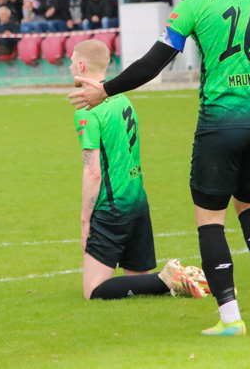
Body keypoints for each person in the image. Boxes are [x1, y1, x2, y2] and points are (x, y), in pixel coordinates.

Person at [69, 0, 250, 336]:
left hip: (221, 123)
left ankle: (230, 319)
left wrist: (106, 89)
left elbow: (153, 64)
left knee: (210, 219)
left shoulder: (192, 5)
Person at [69, 39, 207, 302]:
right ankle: (178, 279)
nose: (69, 65)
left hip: (112, 210)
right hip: (138, 205)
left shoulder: (87, 111)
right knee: (138, 283)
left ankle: (166, 276)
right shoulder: (123, 99)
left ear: (82, 65)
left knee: (93, 292)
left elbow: (93, 172)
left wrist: (85, 220)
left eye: (72, 60)